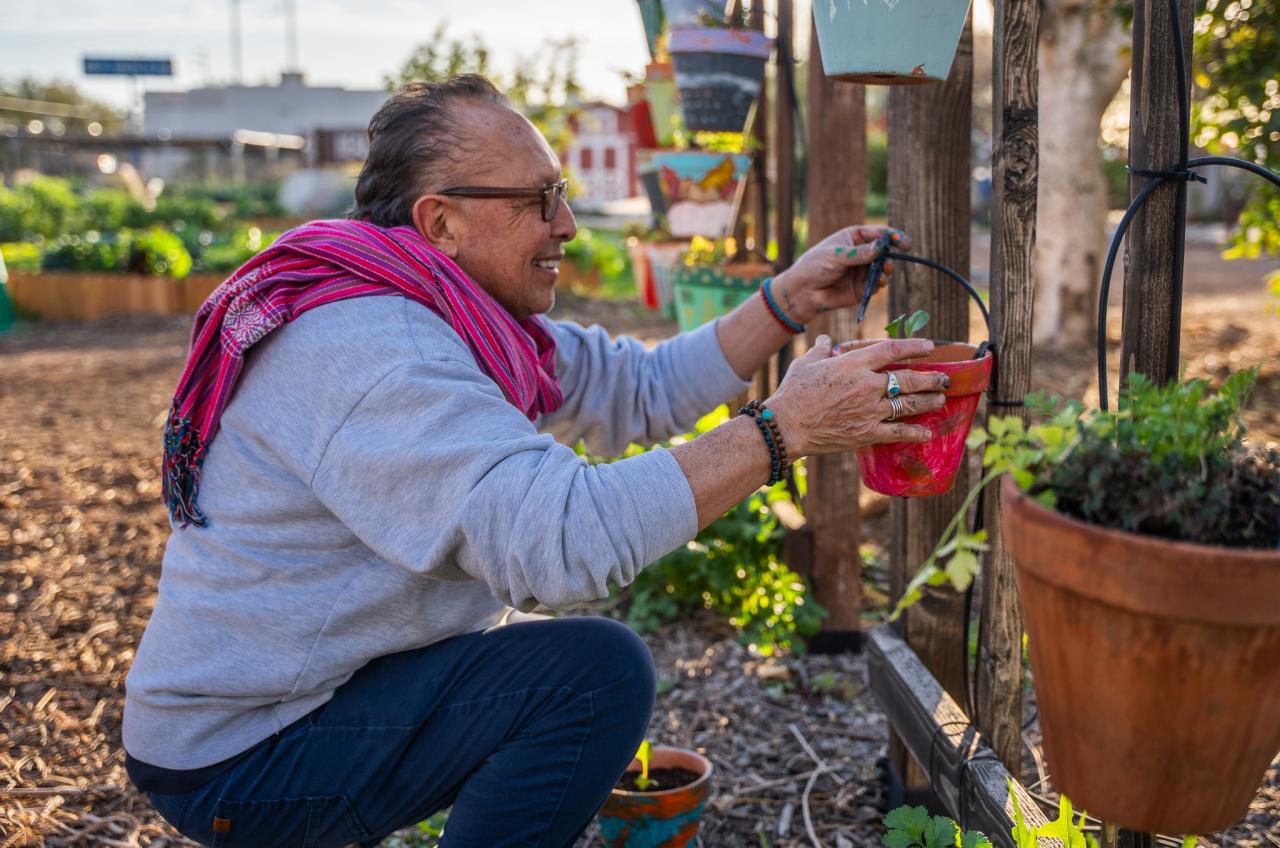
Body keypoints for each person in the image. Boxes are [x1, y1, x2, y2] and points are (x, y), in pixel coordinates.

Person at [123, 75, 948, 847]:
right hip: (242, 751)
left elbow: (640, 386)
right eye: (538, 200)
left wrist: (791, 299)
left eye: (560, 195)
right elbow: (563, 544)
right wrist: (779, 433)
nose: (568, 226)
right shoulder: (374, 352)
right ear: (440, 221)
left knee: (561, 664)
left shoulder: (461, 315)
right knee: (589, 677)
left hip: (318, 689)